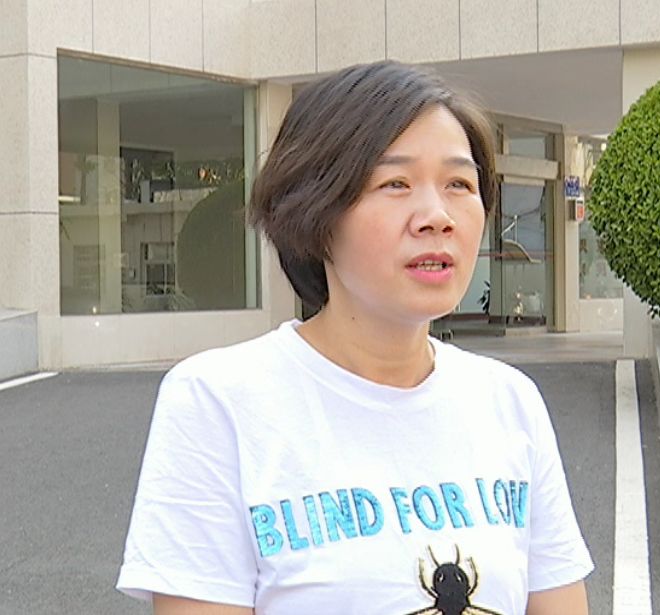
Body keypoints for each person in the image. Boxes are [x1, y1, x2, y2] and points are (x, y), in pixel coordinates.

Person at [116, 60, 593, 614]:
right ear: (316, 212)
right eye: (395, 184)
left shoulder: (510, 402)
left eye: (459, 184)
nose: (437, 216)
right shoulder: (217, 402)